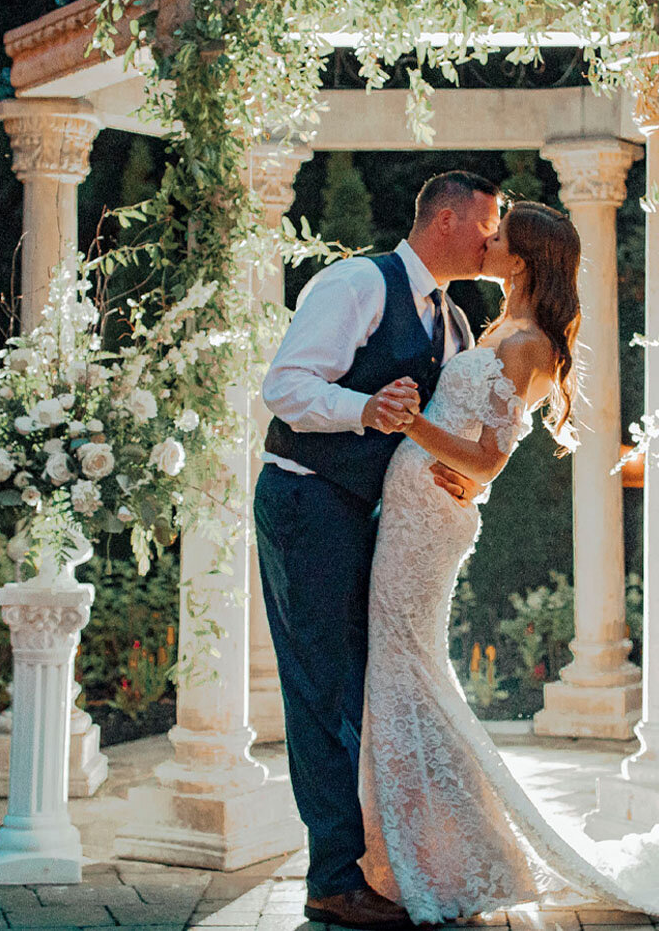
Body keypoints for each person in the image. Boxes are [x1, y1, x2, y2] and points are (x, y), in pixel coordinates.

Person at [359, 200, 659, 925]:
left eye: (499, 237)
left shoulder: (530, 343)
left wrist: (411, 425)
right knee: (400, 671)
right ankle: (427, 849)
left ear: (527, 258)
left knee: (406, 670)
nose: (486, 241)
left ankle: (441, 858)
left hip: (429, 524)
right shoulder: (494, 325)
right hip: (414, 509)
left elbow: (489, 459)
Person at [254, 170, 502, 930]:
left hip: (377, 521)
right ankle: (331, 879)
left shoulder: (456, 325)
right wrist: (365, 408)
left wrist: (464, 485)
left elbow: (444, 436)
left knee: (373, 689)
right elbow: (286, 386)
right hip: (308, 501)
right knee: (323, 689)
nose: (494, 242)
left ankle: (381, 861)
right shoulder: (358, 282)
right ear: (450, 218)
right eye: (488, 225)